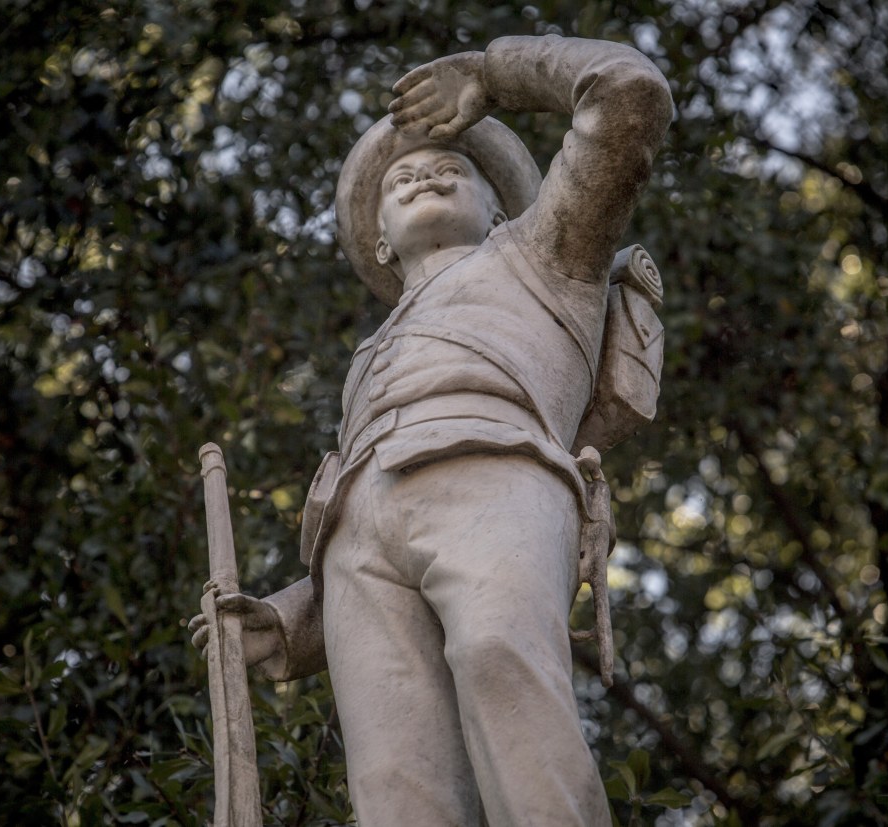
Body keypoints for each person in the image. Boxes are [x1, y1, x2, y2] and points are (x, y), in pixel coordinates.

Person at [191, 34, 672, 826]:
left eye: (454, 169)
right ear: (380, 238)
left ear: (498, 209)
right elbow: (370, 497)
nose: (424, 172)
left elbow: (630, 93)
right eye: (401, 179)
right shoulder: (366, 360)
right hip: (354, 552)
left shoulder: (547, 255)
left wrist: (490, 74)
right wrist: (283, 624)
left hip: (498, 473)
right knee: (395, 786)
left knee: (502, 662)